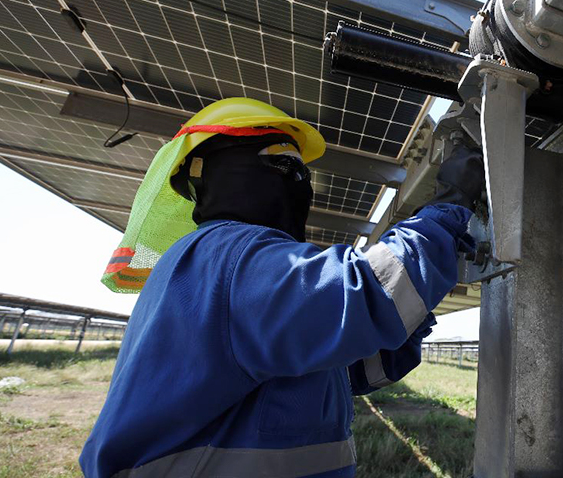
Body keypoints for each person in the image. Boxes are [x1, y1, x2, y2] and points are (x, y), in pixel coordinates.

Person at [80, 98, 483, 477]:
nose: (300, 181)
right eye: (282, 163)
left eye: (301, 169)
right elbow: (366, 295)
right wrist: (448, 208)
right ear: (212, 170)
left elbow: (344, 370)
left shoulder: (222, 267)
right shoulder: (225, 252)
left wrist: (410, 313)